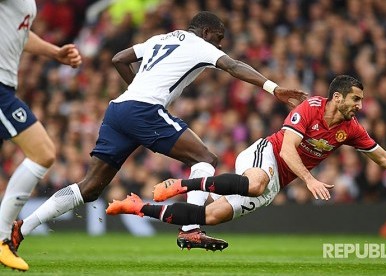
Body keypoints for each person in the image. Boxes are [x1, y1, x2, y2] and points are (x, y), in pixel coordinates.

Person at [8, 10, 307, 265]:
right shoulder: (199, 44)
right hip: (143, 110)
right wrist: (273, 88)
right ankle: (190, 228)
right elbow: (233, 66)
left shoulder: (160, 39)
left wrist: (138, 87)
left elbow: (118, 59)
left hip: (118, 109)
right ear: (207, 32)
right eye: (219, 39)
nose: (219, 45)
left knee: (89, 188)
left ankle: (23, 226)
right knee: (206, 159)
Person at [105, 75, 386, 249]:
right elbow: (287, 150)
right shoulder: (310, 109)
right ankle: (183, 184)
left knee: (208, 216)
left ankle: (136, 207)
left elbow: (383, 158)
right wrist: (310, 180)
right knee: (256, 181)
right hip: (265, 154)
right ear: (337, 97)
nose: (360, 105)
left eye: (361, 100)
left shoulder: (351, 129)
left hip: (278, 181)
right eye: (356, 99)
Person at [0, 0, 82, 271]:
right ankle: (2, 239)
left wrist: (55, 52)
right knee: (42, 152)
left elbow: (19, 32)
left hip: (7, 87)